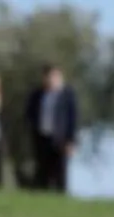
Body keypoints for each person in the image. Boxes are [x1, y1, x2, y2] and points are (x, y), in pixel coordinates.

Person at [24, 63, 78, 193]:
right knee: (42, 171)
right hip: (42, 137)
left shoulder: (67, 95)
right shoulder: (37, 94)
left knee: (60, 173)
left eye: (54, 76)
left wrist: (71, 141)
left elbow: (73, 119)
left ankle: (61, 200)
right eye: (48, 77)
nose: (51, 80)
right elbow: (29, 113)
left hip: (60, 140)